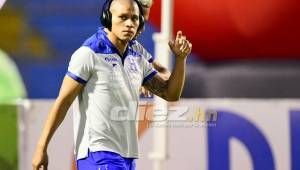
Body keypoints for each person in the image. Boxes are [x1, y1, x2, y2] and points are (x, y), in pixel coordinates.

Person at [32, 0, 192, 170]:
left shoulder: (137, 55)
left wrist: (180, 60)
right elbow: (63, 102)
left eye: (135, 18)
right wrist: (41, 148)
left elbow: (171, 94)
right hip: (98, 153)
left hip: (127, 156)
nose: (130, 24)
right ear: (107, 18)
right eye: (123, 17)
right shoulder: (89, 54)